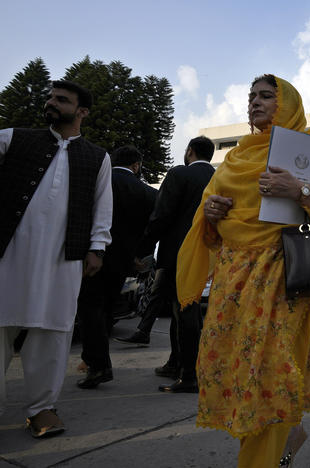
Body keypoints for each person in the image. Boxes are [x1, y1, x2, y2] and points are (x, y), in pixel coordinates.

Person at [176, 75, 310, 468]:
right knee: (241, 375)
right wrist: (209, 214)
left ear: (287, 103)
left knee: (271, 376)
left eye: (266, 96)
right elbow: (210, 225)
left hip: (287, 276)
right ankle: (284, 441)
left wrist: (299, 190)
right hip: (234, 282)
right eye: (251, 96)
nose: (255, 103)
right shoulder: (236, 157)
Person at [0, 80, 112, 437]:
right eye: (50, 96)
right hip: (10, 252)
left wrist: (97, 248)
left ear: (82, 111)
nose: (51, 103)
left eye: (61, 100)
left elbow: (102, 206)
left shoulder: (97, 157)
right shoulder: (13, 138)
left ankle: (41, 409)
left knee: (53, 332)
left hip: (64, 257)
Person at [131, 136, 215, 393]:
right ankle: (176, 362)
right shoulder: (219, 177)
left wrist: (145, 248)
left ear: (189, 151)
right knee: (185, 311)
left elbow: (162, 214)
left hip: (178, 253)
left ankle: (188, 373)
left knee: (184, 311)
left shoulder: (180, 174)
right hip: (209, 255)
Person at [76, 145, 157, 389]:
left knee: (90, 307)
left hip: (92, 255)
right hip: (124, 261)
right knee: (108, 309)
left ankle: (96, 364)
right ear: (136, 166)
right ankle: (94, 359)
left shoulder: (97, 182)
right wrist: (139, 254)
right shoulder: (148, 193)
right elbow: (152, 227)